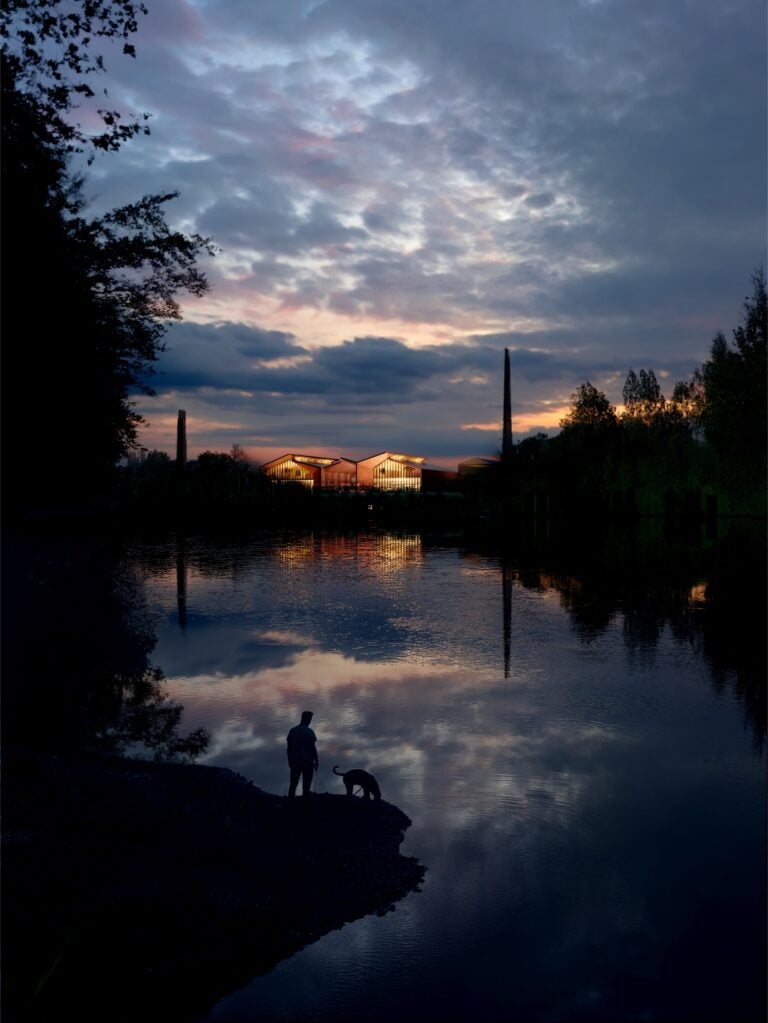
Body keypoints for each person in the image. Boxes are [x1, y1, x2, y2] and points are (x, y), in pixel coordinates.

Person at [286, 710, 319, 798]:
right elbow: (313, 748)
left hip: (295, 761)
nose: (310, 720)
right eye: (310, 719)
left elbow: (289, 748)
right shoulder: (309, 732)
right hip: (307, 762)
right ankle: (305, 805)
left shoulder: (293, 730)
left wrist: (289, 760)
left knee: (293, 784)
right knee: (306, 784)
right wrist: (317, 761)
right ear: (308, 719)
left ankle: (290, 803)